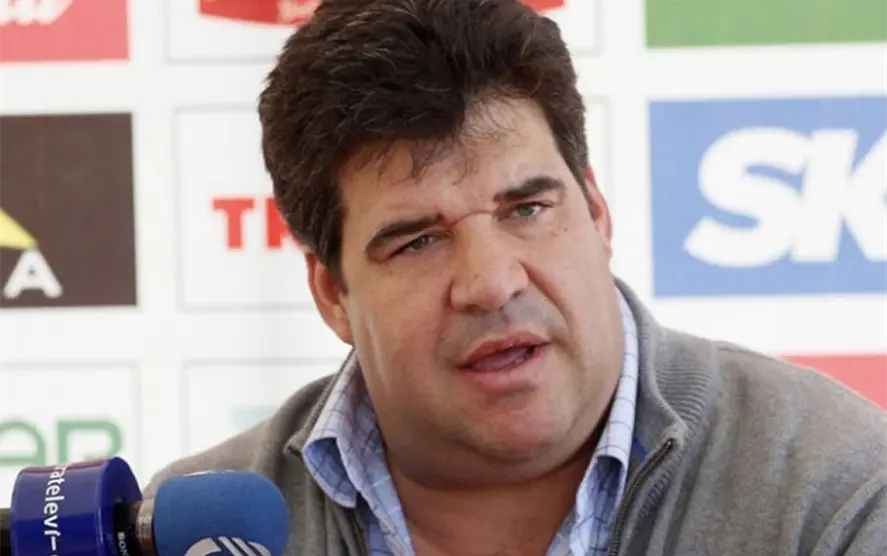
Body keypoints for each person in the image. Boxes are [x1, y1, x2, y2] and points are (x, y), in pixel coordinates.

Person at [144, 0, 887, 554]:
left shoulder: (833, 490)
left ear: (596, 212)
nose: (492, 284)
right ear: (332, 294)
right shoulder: (182, 532)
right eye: (418, 242)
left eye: (526, 209)